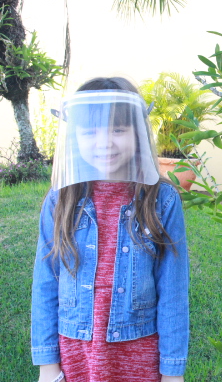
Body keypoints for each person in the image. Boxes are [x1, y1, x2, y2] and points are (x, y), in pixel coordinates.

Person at [31, 77, 190, 382]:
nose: (104, 142)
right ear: (74, 135)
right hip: (76, 351)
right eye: (90, 131)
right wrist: (48, 366)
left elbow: (173, 291)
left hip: (139, 351)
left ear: (138, 131)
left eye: (118, 129)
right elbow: (45, 283)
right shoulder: (60, 199)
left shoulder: (162, 200)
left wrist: (172, 372)